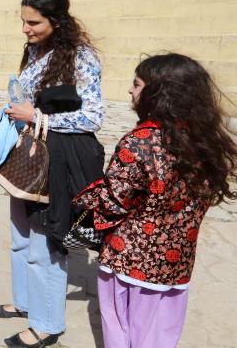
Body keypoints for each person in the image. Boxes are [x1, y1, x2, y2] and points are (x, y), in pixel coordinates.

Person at [74, 53, 237, 348]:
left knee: (120, 329)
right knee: (159, 336)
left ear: (157, 93)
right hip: (176, 264)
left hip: (128, 260)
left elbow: (113, 202)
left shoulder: (140, 140)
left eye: (136, 84)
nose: (130, 90)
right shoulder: (203, 139)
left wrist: (82, 193)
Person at [0, 0, 104, 348]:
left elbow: (93, 117)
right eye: (23, 21)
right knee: (21, 235)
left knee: (44, 244)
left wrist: (35, 115)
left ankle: (46, 324)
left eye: (33, 22)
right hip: (28, 157)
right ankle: (24, 302)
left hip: (57, 162)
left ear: (57, 20)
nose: (26, 29)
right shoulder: (36, 49)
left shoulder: (82, 56)